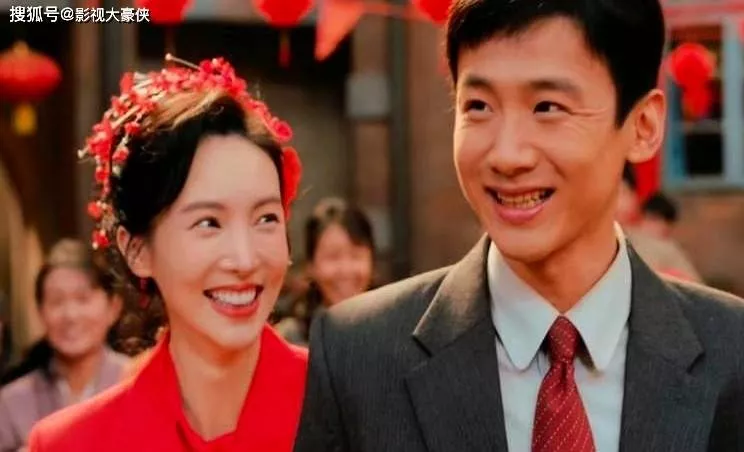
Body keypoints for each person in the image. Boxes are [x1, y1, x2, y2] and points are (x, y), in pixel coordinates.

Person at [294, 1, 744, 451]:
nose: (507, 156)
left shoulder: (733, 353)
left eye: (547, 107)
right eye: (479, 106)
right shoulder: (360, 358)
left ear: (642, 126)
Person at [27, 55, 307, 451]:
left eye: (265, 219)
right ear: (137, 250)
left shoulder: (354, 404)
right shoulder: (72, 443)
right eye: (209, 223)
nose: (245, 260)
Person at [0, 239, 126, 451]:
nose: (70, 315)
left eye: (83, 299)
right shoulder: (12, 401)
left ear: (113, 307)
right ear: (40, 312)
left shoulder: (139, 382)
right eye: (57, 301)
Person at [275, 198, 375, 344]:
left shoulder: (394, 330)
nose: (345, 270)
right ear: (310, 265)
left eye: (356, 255)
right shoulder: (288, 339)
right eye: (333, 256)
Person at [616, 163, 701, 281]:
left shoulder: (661, 251)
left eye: (620, 193)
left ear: (634, 198)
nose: (609, 203)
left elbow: (692, 289)